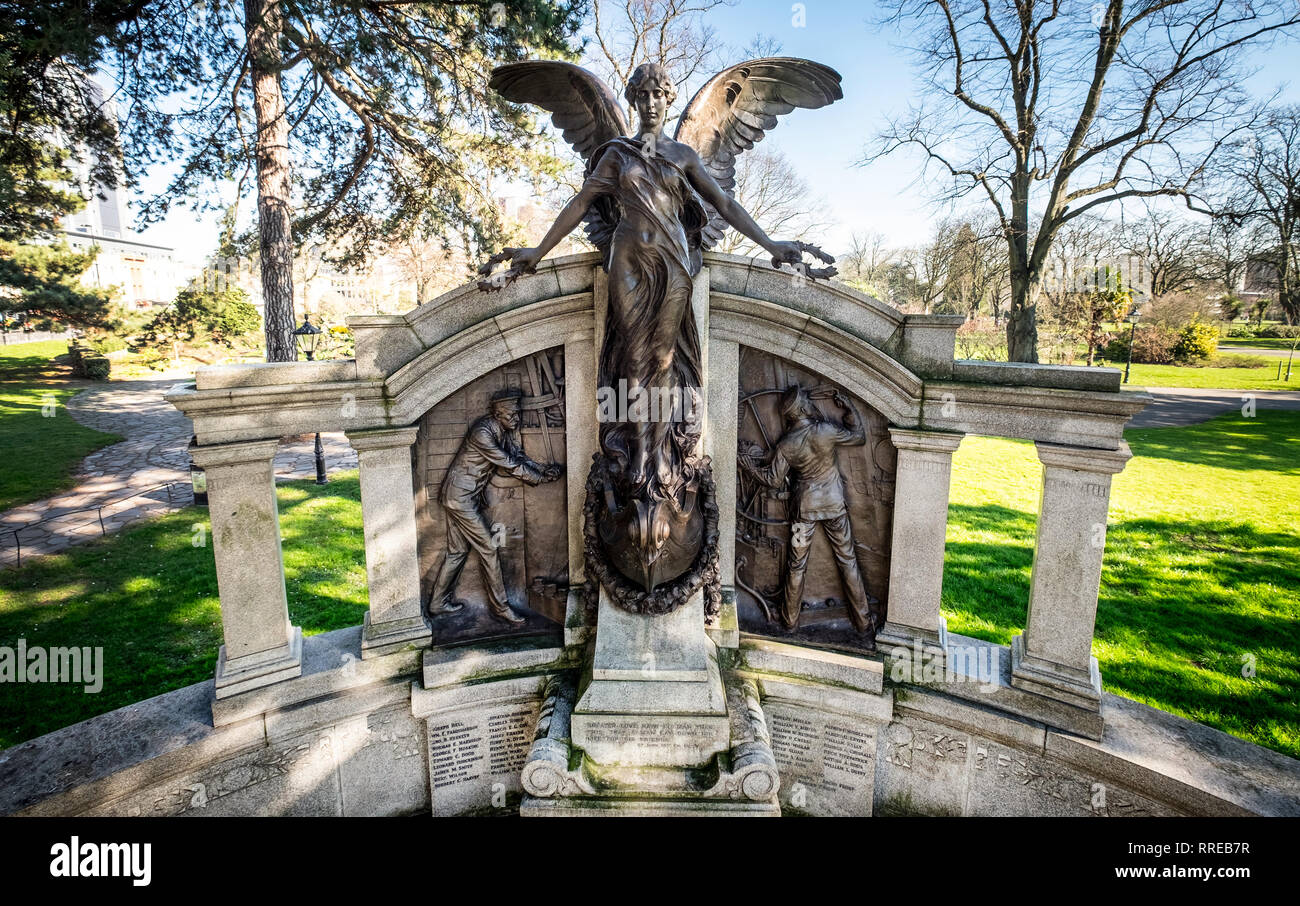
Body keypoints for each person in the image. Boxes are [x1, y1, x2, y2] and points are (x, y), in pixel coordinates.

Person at [499, 62, 811, 591]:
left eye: (659, 94)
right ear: (633, 99)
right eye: (642, 94)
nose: (651, 102)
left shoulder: (684, 155)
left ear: (667, 100)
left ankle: (653, 458)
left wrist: (773, 246)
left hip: (673, 265)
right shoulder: (616, 155)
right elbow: (581, 204)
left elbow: (725, 203)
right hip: (626, 262)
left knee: (662, 362)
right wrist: (536, 251)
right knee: (633, 361)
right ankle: (641, 454)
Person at [740, 386, 875, 633]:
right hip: (835, 508)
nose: (812, 404)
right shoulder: (825, 431)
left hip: (805, 512)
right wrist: (848, 407)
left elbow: (772, 479)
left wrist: (749, 467)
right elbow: (859, 436)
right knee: (848, 561)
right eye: (808, 402)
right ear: (802, 408)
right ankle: (864, 623)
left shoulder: (787, 444)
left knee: (796, 565)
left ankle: (790, 622)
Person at [428, 389, 562, 624]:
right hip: (460, 497)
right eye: (512, 415)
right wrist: (538, 479)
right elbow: (507, 463)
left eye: (517, 414)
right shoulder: (482, 433)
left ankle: (438, 602)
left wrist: (543, 470)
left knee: (458, 552)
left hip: (462, 497)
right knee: (489, 548)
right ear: (498, 414)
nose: (516, 419)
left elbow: (516, 456)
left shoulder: (501, 429)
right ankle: (501, 607)